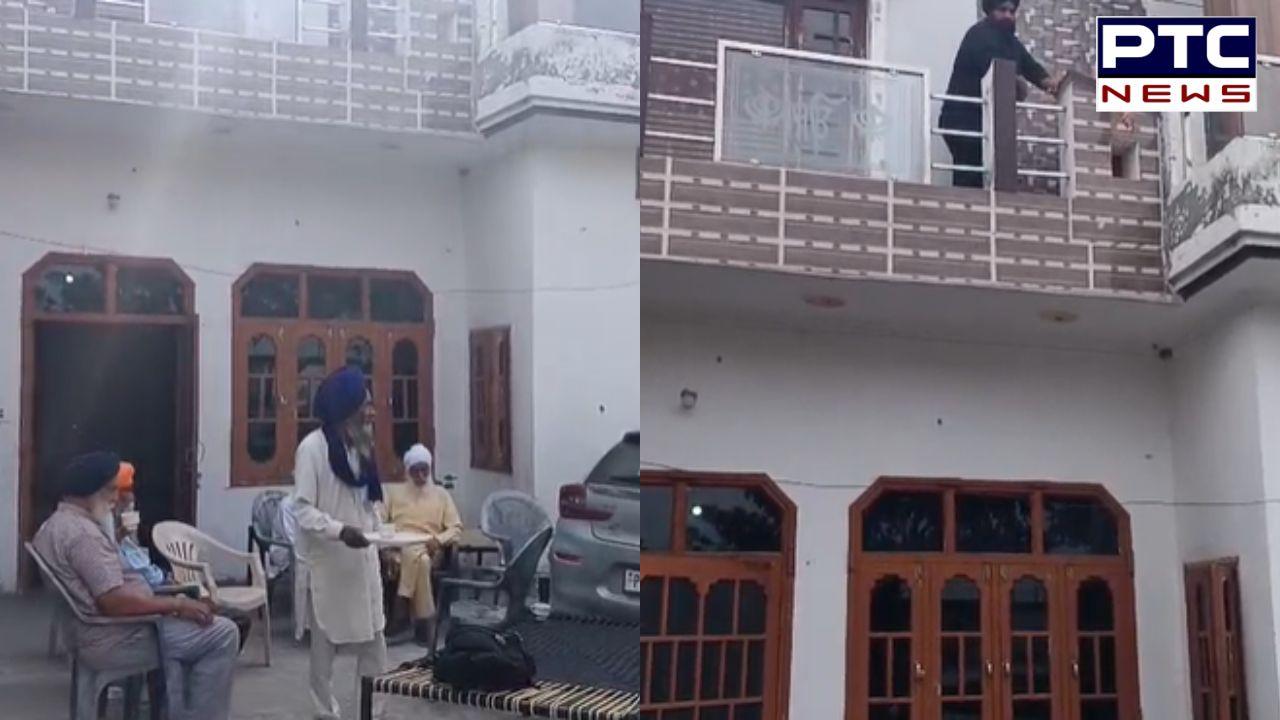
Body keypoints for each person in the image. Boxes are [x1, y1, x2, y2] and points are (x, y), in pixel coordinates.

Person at [33, 451, 239, 720]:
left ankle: (176, 709)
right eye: (111, 490)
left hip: (97, 631)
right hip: (117, 636)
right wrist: (177, 604)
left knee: (205, 622)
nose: (115, 498)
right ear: (89, 491)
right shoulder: (83, 535)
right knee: (222, 633)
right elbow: (114, 601)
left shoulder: (54, 525)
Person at [293, 367, 388, 720]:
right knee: (324, 647)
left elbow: (369, 500)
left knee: (374, 641)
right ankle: (324, 712)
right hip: (330, 564)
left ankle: (371, 711)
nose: (371, 412)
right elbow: (302, 510)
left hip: (364, 561)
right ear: (346, 408)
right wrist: (339, 531)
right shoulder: (312, 450)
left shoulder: (362, 443)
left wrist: (380, 530)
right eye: (365, 405)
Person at [938, 0, 1063, 187]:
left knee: (977, 175)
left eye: (1011, 11)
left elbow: (1032, 68)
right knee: (969, 175)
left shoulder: (1010, 42)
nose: (1008, 16)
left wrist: (1053, 85)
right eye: (1002, 10)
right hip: (963, 118)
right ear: (990, 11)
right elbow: (994, 68)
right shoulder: (979, 34)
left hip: (979, 121)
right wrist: (1019, 85)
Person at [381, 444, 462, 649]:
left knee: (421, 555)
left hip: (430, 547)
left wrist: (440, 540)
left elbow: (455, 528)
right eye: (415, 471)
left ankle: (401, 608)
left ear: (430, 469)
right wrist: (387, 545)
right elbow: (379, 521)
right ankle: (425, 621)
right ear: (408, 471)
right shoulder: (393, 493)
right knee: (421, 561)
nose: (420, 475)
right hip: (399, 550)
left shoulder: (441, 495)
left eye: (424, 470)